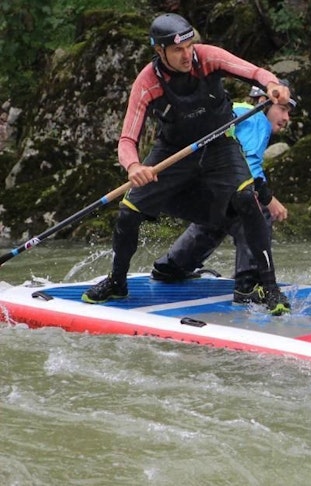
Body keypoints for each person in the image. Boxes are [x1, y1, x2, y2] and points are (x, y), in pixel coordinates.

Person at [81, 13, 291, 315]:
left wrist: (272, 84)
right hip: (173, 151)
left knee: (247, 197)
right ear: (160, 51)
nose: (187, 54)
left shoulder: (207, 58)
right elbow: (127, 139)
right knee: (128, 212)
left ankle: (269, 288)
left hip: (219, 144)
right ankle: (117, 282)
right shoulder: (147, 82)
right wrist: (134, 167)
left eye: (189, 46)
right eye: (178, 50)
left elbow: (253, 72)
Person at [150, 84, 294, 304]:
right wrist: (269, 199)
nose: (286, 117)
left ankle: (171, 267)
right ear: (264, 101)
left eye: (289, 112)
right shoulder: (257, 120)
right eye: (283, 109)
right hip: (199, 179)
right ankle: (248, 284)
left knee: (220, 217)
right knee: (254, 208)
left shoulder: (238, 111)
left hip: (188, 183)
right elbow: (247, 169)